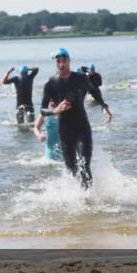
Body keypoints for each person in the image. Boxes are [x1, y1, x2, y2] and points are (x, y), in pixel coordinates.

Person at [33, 48, 112, 189]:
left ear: (69, 61)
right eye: (58, 61)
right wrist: (55, 110)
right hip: (65, 129)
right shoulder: (51, 84)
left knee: (84, 164)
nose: (61, 64)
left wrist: (104, 106)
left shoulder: (81, 78)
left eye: (64, 60)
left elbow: (94, 91)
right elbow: (42, 109)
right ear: (56, 63)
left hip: (82, 126)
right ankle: (81, 192)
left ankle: (89, 197)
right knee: (71, 168)